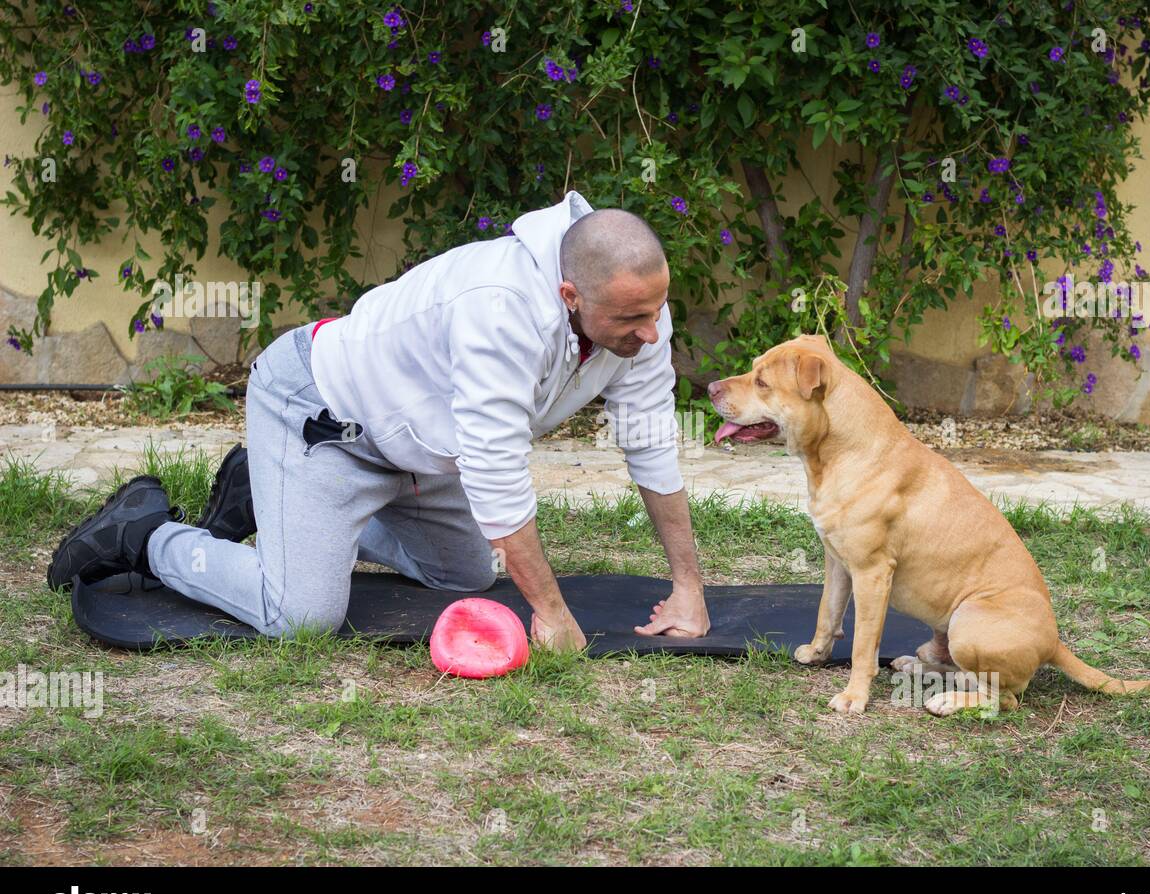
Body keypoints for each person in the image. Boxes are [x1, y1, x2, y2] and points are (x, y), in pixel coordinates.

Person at [48, 190, 712, 649]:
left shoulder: (638, 309)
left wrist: (687, 586)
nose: (652, 332)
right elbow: (496, 474)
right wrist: (553, 615)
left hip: (419, 453)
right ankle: (144, 533)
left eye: (658, 311)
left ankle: (285, 506)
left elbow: (651, 444)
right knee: (301, 617)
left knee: (466, 575)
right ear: (571, 295)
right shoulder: (502, 309)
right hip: (321, 416)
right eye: (632, 319)